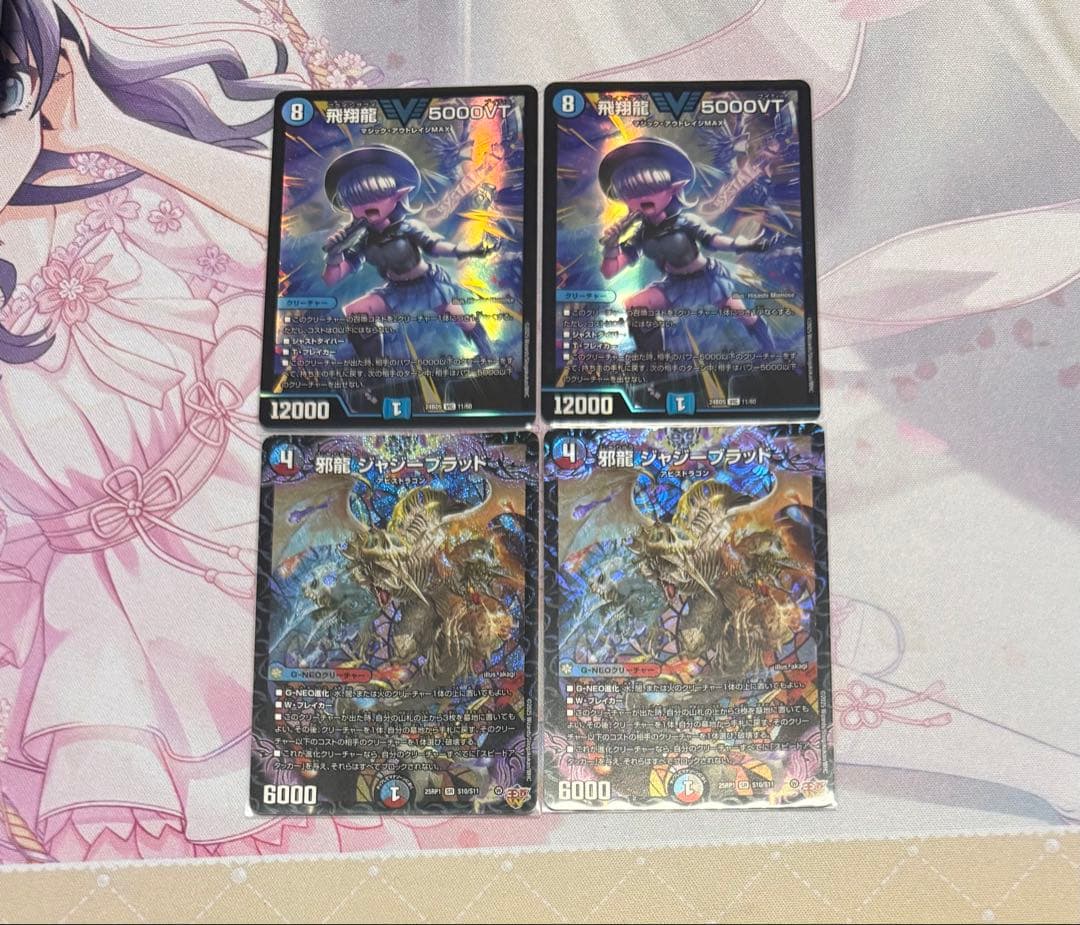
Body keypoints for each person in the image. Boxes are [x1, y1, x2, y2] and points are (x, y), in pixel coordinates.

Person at [597, 136, 777, 355]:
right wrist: (611, 246)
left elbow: (713, 239)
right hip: (674, 285)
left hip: (707, 280)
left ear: (673, 188)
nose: (642, 197)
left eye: (651, 187)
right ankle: (652, 362)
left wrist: (744, 245)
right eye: (631, 193)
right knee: (636, 306)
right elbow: (610, 271)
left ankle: (772, 353)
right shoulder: (641, 234)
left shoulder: (685, 221)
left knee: (744, 315)